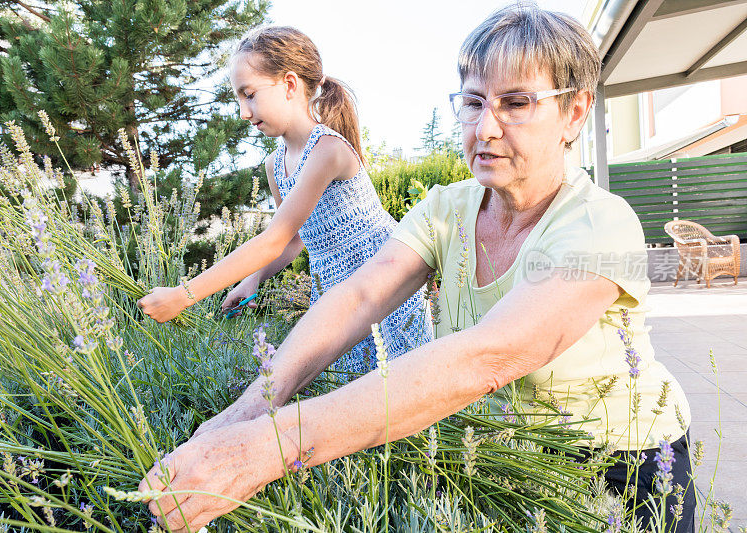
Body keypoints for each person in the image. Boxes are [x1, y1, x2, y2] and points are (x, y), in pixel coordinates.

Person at [139, 7, 695, 533]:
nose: (487, 128)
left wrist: (267, 446)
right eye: (473, 103)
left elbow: (488, 357)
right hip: (506, 459)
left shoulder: (601, 224)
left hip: (620, 470)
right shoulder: (447, 208)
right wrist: (246, 413)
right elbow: (359, 298)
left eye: (517, 103)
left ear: (574, 113)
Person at [137, 26, 432, 376]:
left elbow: (272, 238)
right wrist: (254, 279)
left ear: (290, 85)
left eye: (249, 94)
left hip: (383, 285)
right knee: (354, 394)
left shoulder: (327, 150)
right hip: (335, 294)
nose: (243, 112)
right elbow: (292, 240)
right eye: (238, 99)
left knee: (400, 391)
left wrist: (182, 295)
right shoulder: (274, 164)